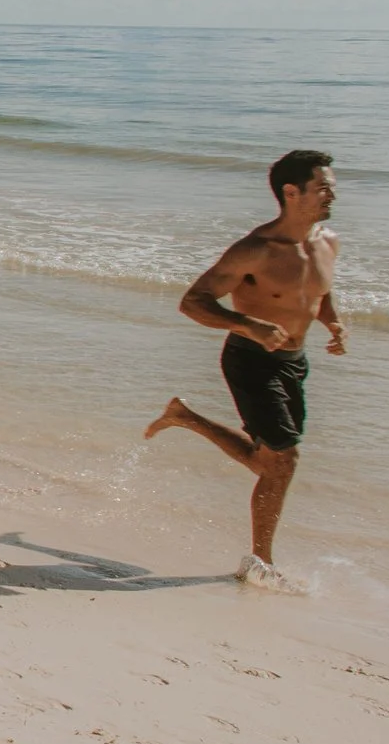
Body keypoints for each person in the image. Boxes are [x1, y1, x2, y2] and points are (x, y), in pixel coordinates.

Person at [145, 149, 344, 590]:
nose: (333, 193)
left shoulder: (327, 241)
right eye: (323, 186)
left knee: (271, 460)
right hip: (251, 360)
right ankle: (261, 562)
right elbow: (192, 302)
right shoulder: (255, 250)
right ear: (291, 193)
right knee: (282, 460)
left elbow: (319, 290)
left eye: (331, 185)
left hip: (294, 363)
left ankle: (185, 417)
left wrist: (332, 322)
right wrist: (246, 323)